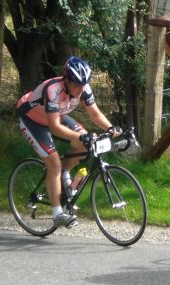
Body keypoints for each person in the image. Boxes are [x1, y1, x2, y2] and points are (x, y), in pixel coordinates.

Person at [16, 56, 119, 229]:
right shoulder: (53, 89)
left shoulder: (84, 88)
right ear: (66, 80)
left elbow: (94, 114)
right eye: (76, 85)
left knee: (88, 144)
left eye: (83, 84)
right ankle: (58, 213)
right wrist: (79, 137)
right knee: (54, 163)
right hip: (31, 120)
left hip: (56, 117)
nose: (80, 90)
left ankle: (65, 173)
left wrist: (111, 128)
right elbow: (55, 128)